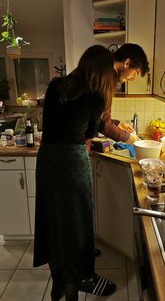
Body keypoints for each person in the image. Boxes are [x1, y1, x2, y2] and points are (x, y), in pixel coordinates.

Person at [33, 45, 117, 301]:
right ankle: (78, 281)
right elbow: (89, 134)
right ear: (103, 72)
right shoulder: (96, 99)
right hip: (72, 162)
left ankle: (59, 279)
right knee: (77, 224)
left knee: (54, 220)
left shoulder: (55, 86)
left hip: (47, 160)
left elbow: (53, 123)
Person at [99, 43, 150, 143]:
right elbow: (103, 125)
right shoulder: (105, 76)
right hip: (70, 141)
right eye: (135, 73)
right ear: (127, 62)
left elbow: (98, 118)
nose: (133, 78)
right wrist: (127, 137)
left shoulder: (104, 68)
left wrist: (118, 124)